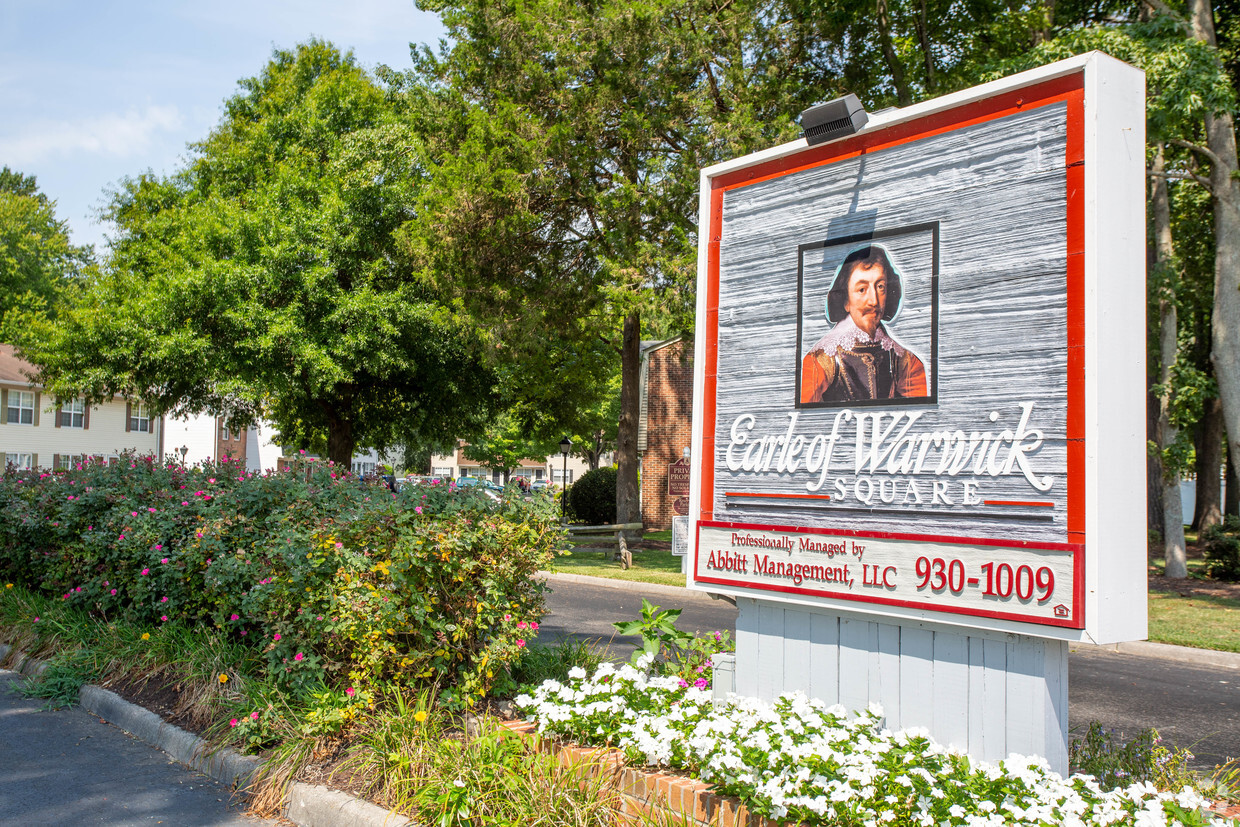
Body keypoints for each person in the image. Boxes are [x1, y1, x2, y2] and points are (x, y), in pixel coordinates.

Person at [800, 244, 927, 403]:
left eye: (880, 287)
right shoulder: (820, 361)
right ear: (846, 300)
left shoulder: (903, 359)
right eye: (862, 289)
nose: (874, 301)